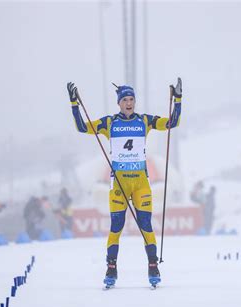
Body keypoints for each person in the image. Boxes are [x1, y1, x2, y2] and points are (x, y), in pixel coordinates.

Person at [67, 78, 182, 287]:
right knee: (116, 227)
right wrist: (74, 103)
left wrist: (178, 99)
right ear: (119, 103)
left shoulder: (144, 121)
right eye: (125, 100)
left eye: (131, 99)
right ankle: (111, 269)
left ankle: (153, 266)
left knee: (146, 225)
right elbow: (82, 128)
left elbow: (172, 123)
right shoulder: (109, 123)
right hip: (119, 185)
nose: (129, 103)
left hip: (140, 184)